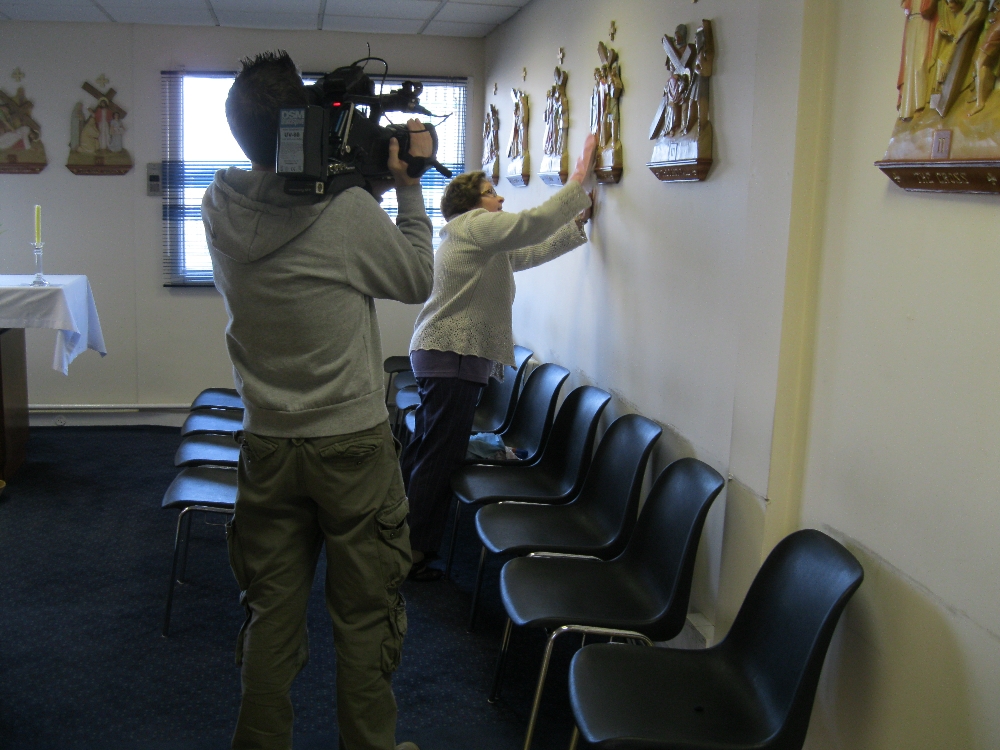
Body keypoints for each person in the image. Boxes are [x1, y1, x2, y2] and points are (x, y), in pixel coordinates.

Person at [200, 50, 434, 750]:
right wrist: (406, 189)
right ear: (304, 127)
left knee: (270, 612)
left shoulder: (219, 205)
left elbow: (292, 206)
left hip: (268, 442)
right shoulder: (347, 211)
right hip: (351, 444)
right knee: (364, 616)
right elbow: (415, 278)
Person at [400, 133, 598, 581]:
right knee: (440, 457)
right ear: (471, 204)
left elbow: (528, 251)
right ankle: (412, 552)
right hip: (451, 355)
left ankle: (401, 539)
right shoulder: (473, 225)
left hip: (444, 354)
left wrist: (575, 224)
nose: (500, 197)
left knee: (429, 450)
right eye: (491, 192)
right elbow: (530, 225)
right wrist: (577, 181)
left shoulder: (478, 242)